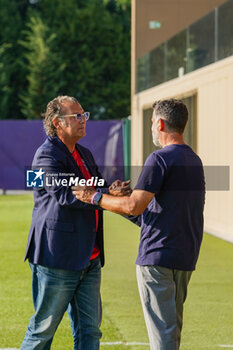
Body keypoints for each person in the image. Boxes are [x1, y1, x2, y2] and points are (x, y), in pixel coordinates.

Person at [73, 99, 205, 350]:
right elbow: (154, 213)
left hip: (158, 259)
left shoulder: (159, 159)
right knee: (171, 333)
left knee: (163, 337)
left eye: (152, 123)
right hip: (184, 257)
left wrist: (95, 197)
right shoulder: (194, 160)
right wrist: (121, 200)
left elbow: (135, 206)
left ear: (160, 123)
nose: (152, 128)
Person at [21, 95, 130, 350]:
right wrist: (101, 194)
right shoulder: (45, 156)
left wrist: (108, 189)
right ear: (58, 123)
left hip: (89, 258)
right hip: (57, 258)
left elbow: (94, 188)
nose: (83, 120)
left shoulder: (84, 153)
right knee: (42, 331)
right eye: (76, 116)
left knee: (90, 332)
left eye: (84, 115)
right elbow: (66, 194)